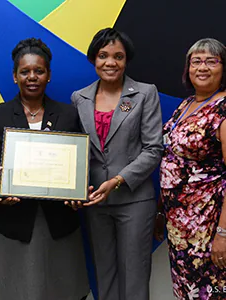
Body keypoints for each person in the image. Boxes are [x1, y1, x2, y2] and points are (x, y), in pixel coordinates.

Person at [0, 38, 89, 300]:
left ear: (48, 75)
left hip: (59, 222)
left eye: (39, 71)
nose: (32, 77)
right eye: (25, 71)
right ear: (15, 76)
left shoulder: (68, 114)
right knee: (15, 292)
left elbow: (82, 164)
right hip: (14, 222)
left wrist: (78, 194)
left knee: (62, 290)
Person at [71, 28, 163, 300]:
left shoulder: (145, 93)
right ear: (93, 59)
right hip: (95, 201)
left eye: (118, 56)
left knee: (134, 275)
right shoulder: (80, 98)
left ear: (126, 60)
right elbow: (78, 151)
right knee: (104, 273)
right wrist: (74, 188)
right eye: (103, 55)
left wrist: (118, 180)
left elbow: (153, 148)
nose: (110, 62)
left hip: (134, 199)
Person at [155, 38, 226, 299]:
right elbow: (173, 161)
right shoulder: (186, 105)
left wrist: (223, 234)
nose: (203, 67)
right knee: (187, 292)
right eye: (196, 61)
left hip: (209, 229)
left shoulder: (223, 108)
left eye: (212, 61)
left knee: (214, 292)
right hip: (180, 230)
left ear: (223, 68)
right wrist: (161, 211)